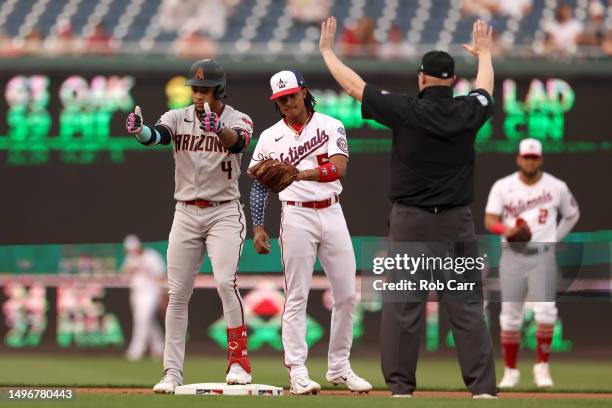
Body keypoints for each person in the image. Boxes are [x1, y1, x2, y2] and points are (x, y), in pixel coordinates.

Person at [319, 17, 497, 398]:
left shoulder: (406, 110)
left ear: (421, 79)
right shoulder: (468, 111)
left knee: (403, 310)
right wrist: (484, 55)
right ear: (451, 81)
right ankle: (483, 390)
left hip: (411, 223)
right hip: (456, 224)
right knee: (466, 309)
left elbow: (353, 85)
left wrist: (327, 53)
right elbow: (485, 90)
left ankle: (401, 390)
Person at [125, 59, 254, 393]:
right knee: (177, 294)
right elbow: (159, 136)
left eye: (205, 90)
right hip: (185, 211)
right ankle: (171, 372)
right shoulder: (177, 116)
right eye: (195, 89)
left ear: (218, 90)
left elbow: (238, 142)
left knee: (226, 283)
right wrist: (140, 130)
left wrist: (218, 129)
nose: (198, 95)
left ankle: (238, 362)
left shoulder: (237, 118)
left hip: (224, 211)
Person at [248, 70, 372, 395]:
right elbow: (259, 186)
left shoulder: (331, 125)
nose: (287, 103)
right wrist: (258, 226)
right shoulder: (269, 137)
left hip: (332, 211)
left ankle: (340, 367)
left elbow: (339, 167)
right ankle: (298, 371)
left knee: (346, 294)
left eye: (290, 95)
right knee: (296, 296)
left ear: (303, 92)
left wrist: (300, 173)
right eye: (280, 99)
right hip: (295, 216)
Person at [485, 138, 580, 389]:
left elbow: (572, 213)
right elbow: (489, 220)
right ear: (518, 158)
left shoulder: (556, 186)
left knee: (547, 311)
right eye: (526, 157)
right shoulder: (503, 186)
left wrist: (554, 237)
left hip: (542, 256)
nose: (529, 161)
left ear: (540, 159)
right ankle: (511, 371)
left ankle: (542, 368)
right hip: (512, 255)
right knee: (509, 316)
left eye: (534, 157)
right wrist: (507, 230)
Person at [121, 234, 165, 361]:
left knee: (141, 320)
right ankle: (159, 348)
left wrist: (162, 295)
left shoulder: (152, 256)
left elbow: (161, 276)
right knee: (148, 321)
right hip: (136, 293)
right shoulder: (130, 258)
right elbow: (123, 276)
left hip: (151, 293)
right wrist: (130, 269)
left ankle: (136, 351)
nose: (132, 251)